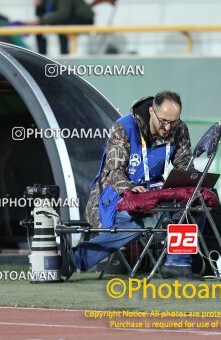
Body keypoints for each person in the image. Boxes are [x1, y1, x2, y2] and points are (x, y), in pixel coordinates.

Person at [74, 91, 201, 279]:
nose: (168, 128)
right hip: (112, 194)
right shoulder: (123, 128)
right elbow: (113, 171)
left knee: (194, 202)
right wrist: (129, 188)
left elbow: (184, 166)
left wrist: (191, 181)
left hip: (150, 195)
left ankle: (177, 263)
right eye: (164, 121)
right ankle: (76, 259)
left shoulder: (178, 129)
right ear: (151, 111)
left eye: (173, 122)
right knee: (134, 223)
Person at [30, 0, 116, 55]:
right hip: (73, 17)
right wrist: (40, 7)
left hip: (84, 19)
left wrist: (41, 20)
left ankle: (64, 54)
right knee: (42, 26)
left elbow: (63, 13)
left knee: (61, 25)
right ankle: (42, 53)